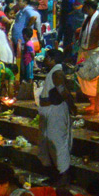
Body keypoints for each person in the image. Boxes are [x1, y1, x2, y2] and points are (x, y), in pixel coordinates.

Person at [36, 49, 76, 184]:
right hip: (50, 112)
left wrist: (73, 107)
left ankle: (64, 176)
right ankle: (55, 175)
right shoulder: (54, 72)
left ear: (53, 59)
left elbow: (63, 92)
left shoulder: (57, 72)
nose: (45, 60)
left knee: (58, 143)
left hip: (56, 112)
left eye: (47, 58)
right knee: (49, 144)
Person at [75, 0, 99, 114]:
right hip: (84, 51)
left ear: (89, 8)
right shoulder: (88, 18)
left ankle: (96, 103)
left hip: (94, 53)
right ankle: (92, 102)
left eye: (85, 7)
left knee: (93, 78)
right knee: (82, 75)